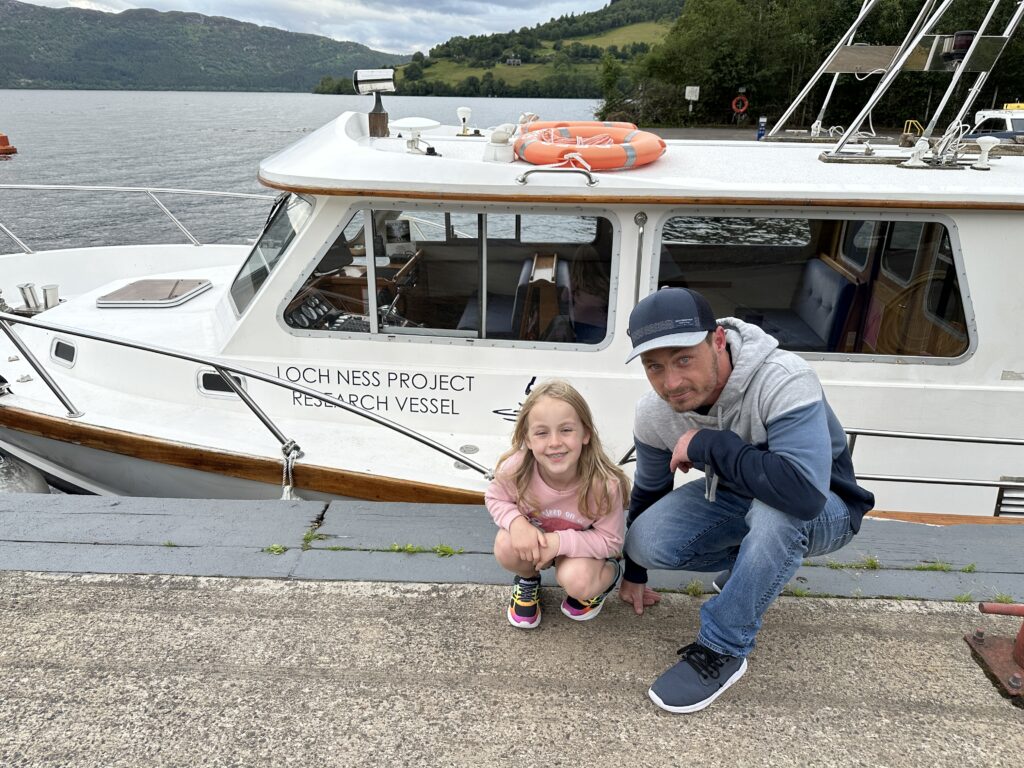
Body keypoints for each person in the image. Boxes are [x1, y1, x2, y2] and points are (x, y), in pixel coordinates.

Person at [618, 287, 874, 713]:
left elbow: (804, 494)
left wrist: (708, 443)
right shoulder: (654, 412)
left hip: (826, 504)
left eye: (684, 359)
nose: (672, 383)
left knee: (778, 514)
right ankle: (748, 566)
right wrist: (635, 572)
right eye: (654, 367)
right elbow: (648, 490)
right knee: (643, 540)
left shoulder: (784, 379)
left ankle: (722, 648)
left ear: (717, 340)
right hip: (741, 499)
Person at [486, 379, 631, 628]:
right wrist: (517, 523)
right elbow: (495, 497)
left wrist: (559, 543)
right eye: (542, 432)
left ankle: (608, 575)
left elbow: (611, 541)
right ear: (528, 439)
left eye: (566, 430)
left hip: (580, 552)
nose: (554, 442)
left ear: (585, 433)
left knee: (577, 582)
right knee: (505, 544)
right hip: (536, 543)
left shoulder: (603, 485)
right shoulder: (516, 469)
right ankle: (528, 579)